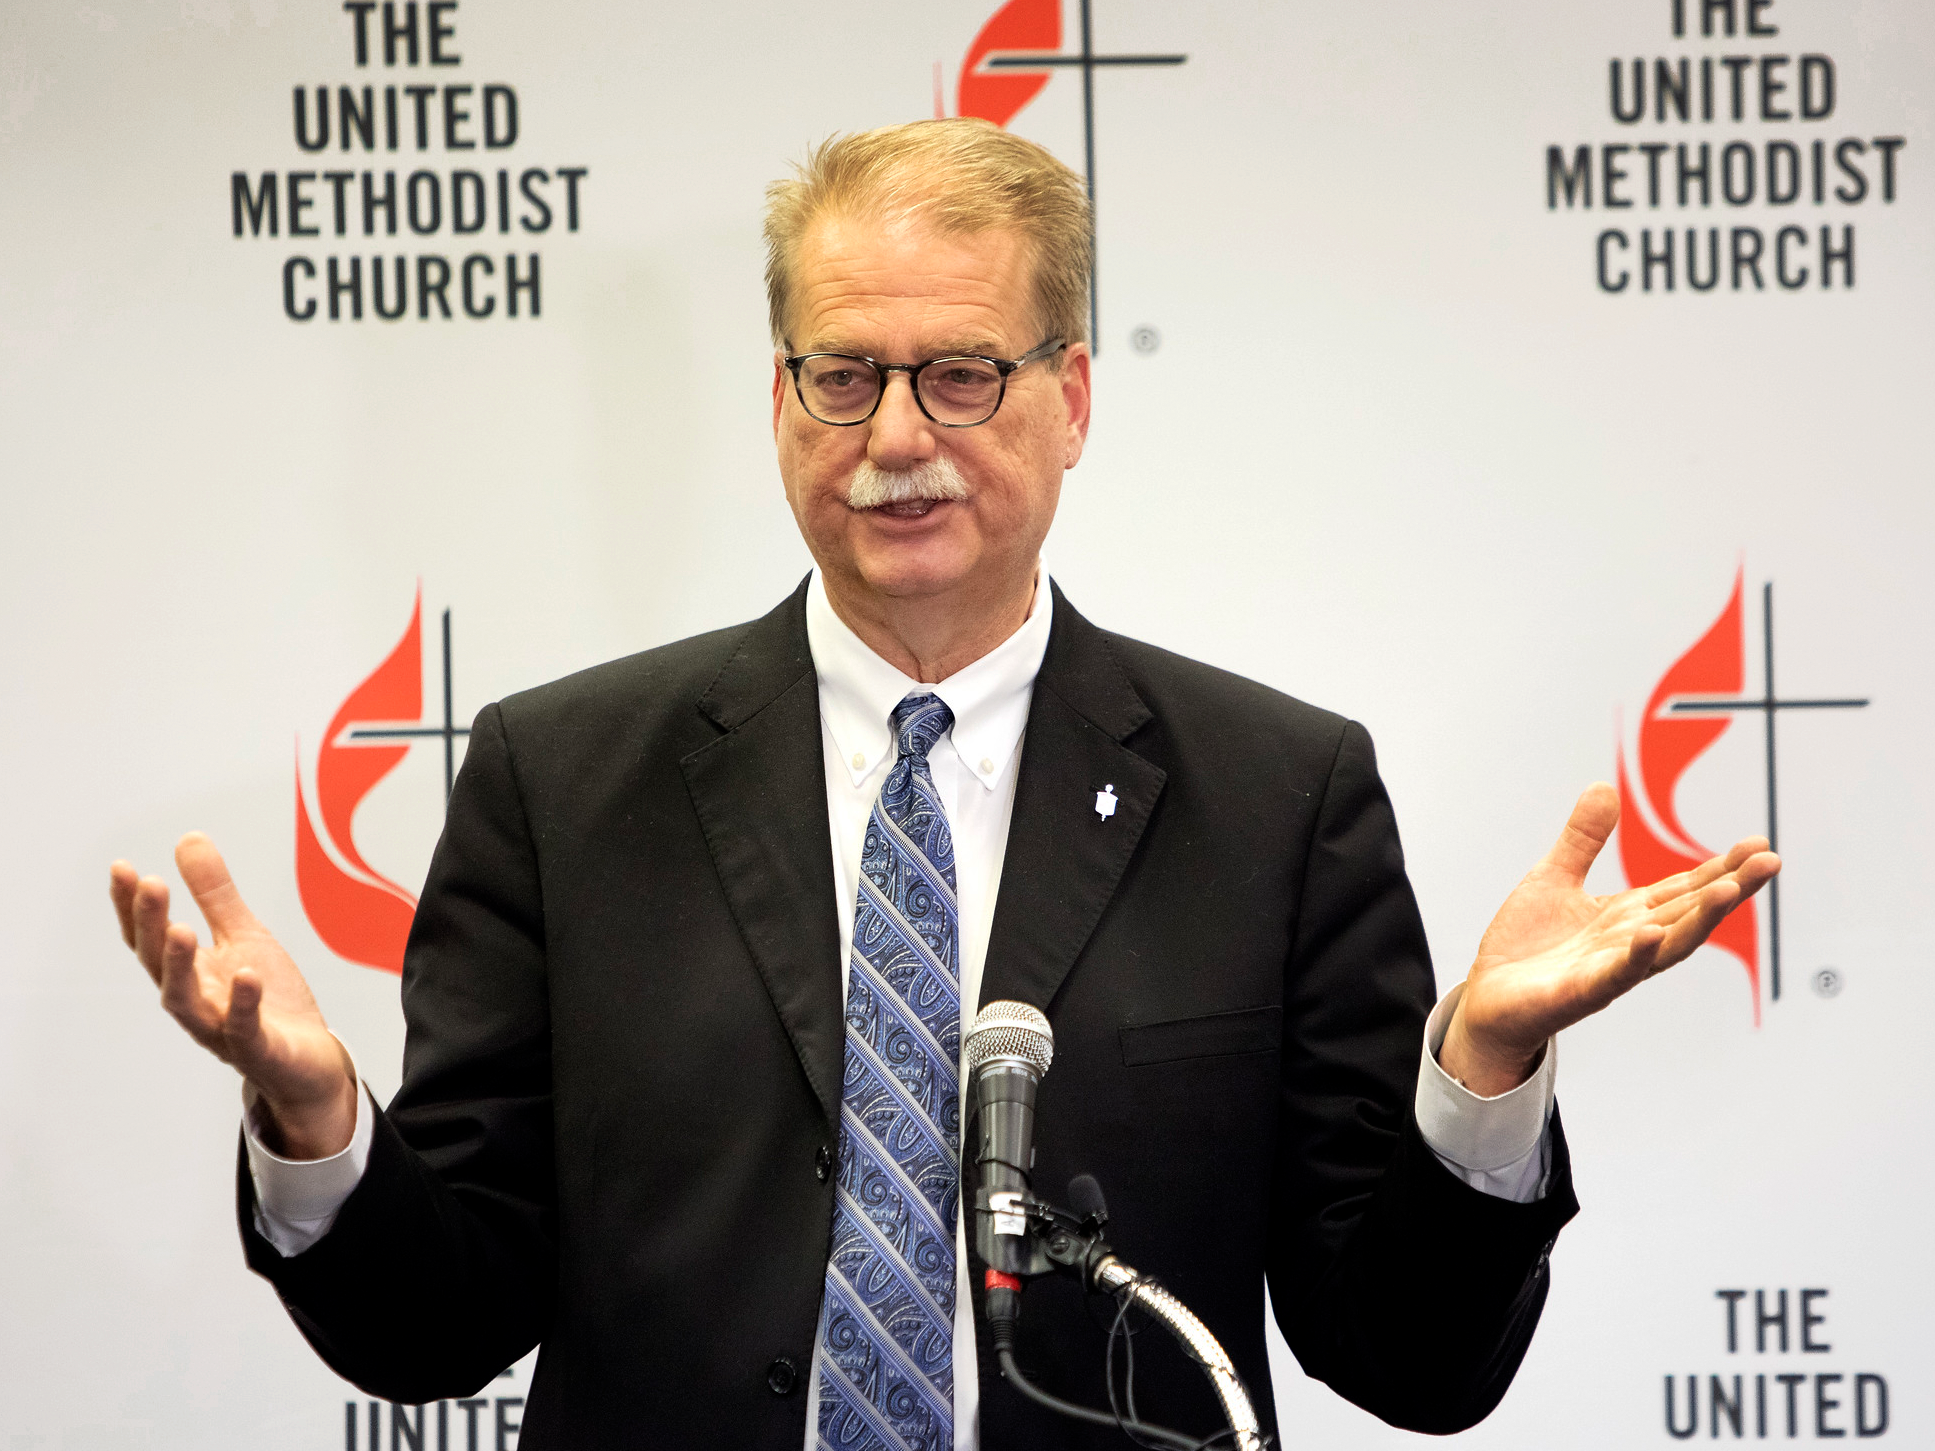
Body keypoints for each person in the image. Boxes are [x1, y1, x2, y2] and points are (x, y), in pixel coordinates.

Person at [109, 120, 1777, 1451]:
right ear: (779, 401)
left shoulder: (1277, 795)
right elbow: (439, 1326)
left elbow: (1405, 1357)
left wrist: (1483, 1073)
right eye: (842, 373)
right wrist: (319, 1125)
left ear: (1072, 399)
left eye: (961, 373)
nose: (896, 435)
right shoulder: (562, 780)